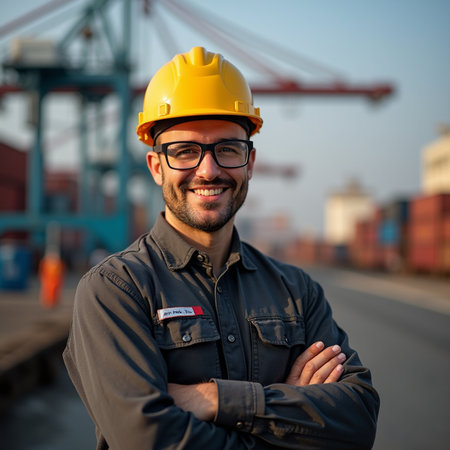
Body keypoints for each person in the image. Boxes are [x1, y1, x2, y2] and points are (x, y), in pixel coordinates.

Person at [63, 46, 379, 449]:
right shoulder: (115, 290)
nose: (208, 170)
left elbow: (358, 420)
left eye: (227, 149)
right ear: (156, 167)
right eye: (184, 152)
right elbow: (147, 439)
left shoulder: (297, 293)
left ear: (249, 162)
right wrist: (291, 418)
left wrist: (213, 399)